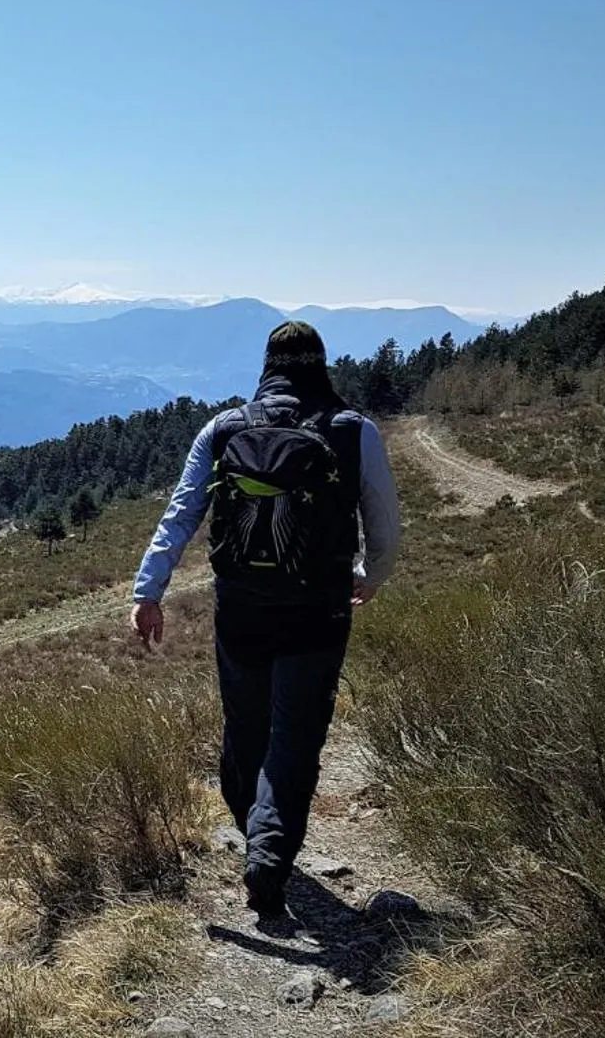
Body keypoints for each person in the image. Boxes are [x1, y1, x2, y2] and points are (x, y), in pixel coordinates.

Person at [128, 321, 399, 919]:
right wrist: (371, 574)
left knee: (246, 726)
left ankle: (253, 830)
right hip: (319, 608)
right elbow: (383, 517)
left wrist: (149, 590)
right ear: (321, 365)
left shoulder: (225, 428)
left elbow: (182, 511)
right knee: (297, 734)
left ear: (267, 366)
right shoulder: (353, 430)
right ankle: (269, 857)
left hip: (242, 605)